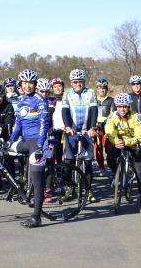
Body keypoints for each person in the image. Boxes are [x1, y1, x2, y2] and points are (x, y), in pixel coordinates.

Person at [9, 69, 49, 228]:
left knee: (38, 182)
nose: (27, 86)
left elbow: (44, 124)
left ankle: (36, 217)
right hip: (25, 140)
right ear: (20, 84)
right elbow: (18, 124)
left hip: (38, 141)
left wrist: (39, 144)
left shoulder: (40, 100)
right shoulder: (21, 100)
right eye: (24, 83)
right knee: (6, 152)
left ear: (35, 84)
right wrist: (10, 139)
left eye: (30, 83)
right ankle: (18, 186)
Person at [61, 69, 98, 200]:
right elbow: (65, 111)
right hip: (72, 131)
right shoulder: (67, 94)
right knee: (69, 161)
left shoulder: (91, 92)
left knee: (88, 162)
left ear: (84, 82)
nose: (78, 84)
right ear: (71, 83)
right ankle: (68, 187)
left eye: (80, 82)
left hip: (87, 131)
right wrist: (68, 127)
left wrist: (92, 128)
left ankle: (88, 190)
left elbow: (94, 110)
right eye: (75, 82)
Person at [104, 93, 141, 204]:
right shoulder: (112, 116)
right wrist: (116, 141)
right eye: (119, 106)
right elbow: (109, 132)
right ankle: (117, 174)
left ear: (129, 106)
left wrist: (126, 142)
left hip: (133, 143)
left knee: (139, 172)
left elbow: (140, 137)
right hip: (119, 142)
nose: (122, 109)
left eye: (125, 106)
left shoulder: (136, 117)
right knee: (109, 159)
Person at [94, 78, 115, 177]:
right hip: (96, 128)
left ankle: (112, 168)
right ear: (97, 89)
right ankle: (102, 168)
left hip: (108, 128)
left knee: (109, 149)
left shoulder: (111, 100)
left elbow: (113, 115)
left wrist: (108, 124)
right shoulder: (93, 99)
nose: (102, 90)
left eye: (104, 88)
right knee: (98, 149)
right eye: (100, 88)